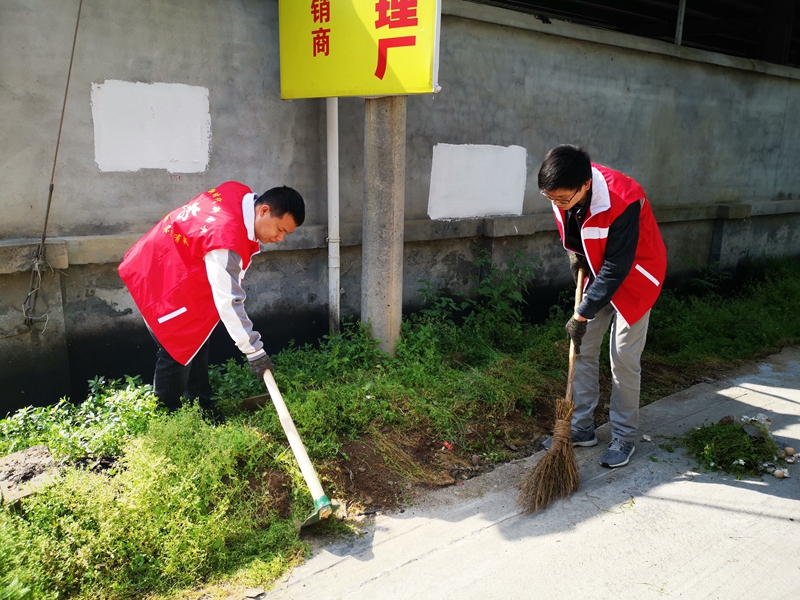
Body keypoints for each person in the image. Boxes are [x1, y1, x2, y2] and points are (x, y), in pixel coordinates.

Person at [119, 182, 305, 422]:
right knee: (177, 351)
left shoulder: (239, 194)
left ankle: (203, 408)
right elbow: (229, 301)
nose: (280, 238)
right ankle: (167, 421)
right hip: (159, 274)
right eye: (280, 230)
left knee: (198, 340)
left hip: (170, 262)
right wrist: (254, 351)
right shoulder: (226, 239)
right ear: (264, 210)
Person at [538, 145, 667, 468]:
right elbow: (576, 238)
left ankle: (624, 436)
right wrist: (575, 258)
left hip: (636, 276)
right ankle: (581, 427)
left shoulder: (624, 198)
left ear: (585, 185)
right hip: (597, 273)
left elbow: (617, 266)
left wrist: (582, 312)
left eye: (562, 199)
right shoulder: (561, 192)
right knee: (582, 348)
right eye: (551, 199)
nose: (557, 204)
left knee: (623, 356)